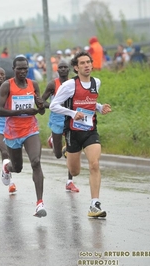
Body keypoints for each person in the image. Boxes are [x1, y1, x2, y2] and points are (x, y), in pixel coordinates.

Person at [50, 51, 112, 218]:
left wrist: (100, 108)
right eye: (82, 63)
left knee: (94, 164)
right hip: (73, 132)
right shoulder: (69, 85)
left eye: (88, 62)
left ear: (92, 65)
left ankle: (94, 205)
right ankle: (67, 151)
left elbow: (90, 101)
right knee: (75, 171)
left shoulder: (96, 82)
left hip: (90, 130)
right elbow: (54, 105)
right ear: (76, 68)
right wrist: (72, 113)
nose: (86, 65)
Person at [0, 56, 47, 218]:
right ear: (14, 69)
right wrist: (21, 112)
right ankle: (7, 167)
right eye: (20, 68)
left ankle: (39, 203)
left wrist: (40, 106)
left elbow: (41, 110)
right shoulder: (7, 86)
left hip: (30, 129)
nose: (23, 71)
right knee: (17, 168)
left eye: (25, 68)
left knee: (36, 162)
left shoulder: (33, 85)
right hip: (12, 132)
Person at [41, 60, 78, 192]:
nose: (63, 69)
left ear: (69, 70)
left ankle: (69, 181)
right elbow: (41, 101)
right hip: (57, 120)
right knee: (57, 155)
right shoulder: (53, 84)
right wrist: (54, 106)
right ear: (58, 70)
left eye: (65, 67)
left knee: (71, 151)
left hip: (70, 119)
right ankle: (53, 140)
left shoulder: (74, 83)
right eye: (60, 67)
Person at [0, 67, 17, 193]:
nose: (0, 76)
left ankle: (6, 170)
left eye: (2, 74)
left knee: (9, 153)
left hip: (9, 125)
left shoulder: (9, 90)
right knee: (4, 150)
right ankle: (10, 181)